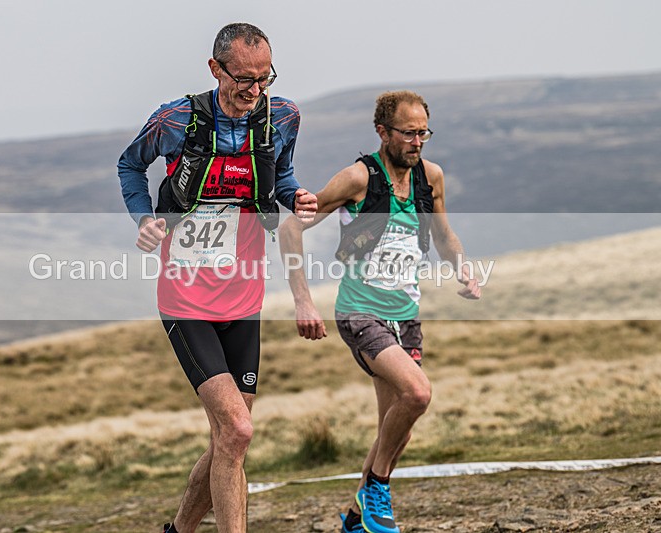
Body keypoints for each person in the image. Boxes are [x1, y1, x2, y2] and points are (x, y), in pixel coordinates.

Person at [117, 22, 317, 533]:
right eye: (243, 79)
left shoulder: (282, 117)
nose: (254, 90)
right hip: (185, 298)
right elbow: (129, 165)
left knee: (231, 438)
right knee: (239, 428)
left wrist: (297, 198)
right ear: (215, 69)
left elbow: (284, 177)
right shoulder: (176, 119)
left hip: (243, 295)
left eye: (264, 78)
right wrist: (145, 219)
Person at [279, 90, 481, 533]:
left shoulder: (431, 177)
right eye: (408, 133)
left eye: (423, 132)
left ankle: (354, 519)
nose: (417, 141)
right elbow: (291, 226)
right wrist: (303, 299)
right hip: (360, 313)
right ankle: (377, 489)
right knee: (418, 394)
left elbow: (444, 236)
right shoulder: (357, 179)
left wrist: (463, 270)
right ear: (382, 132)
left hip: (405, 316)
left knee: (396, 427)